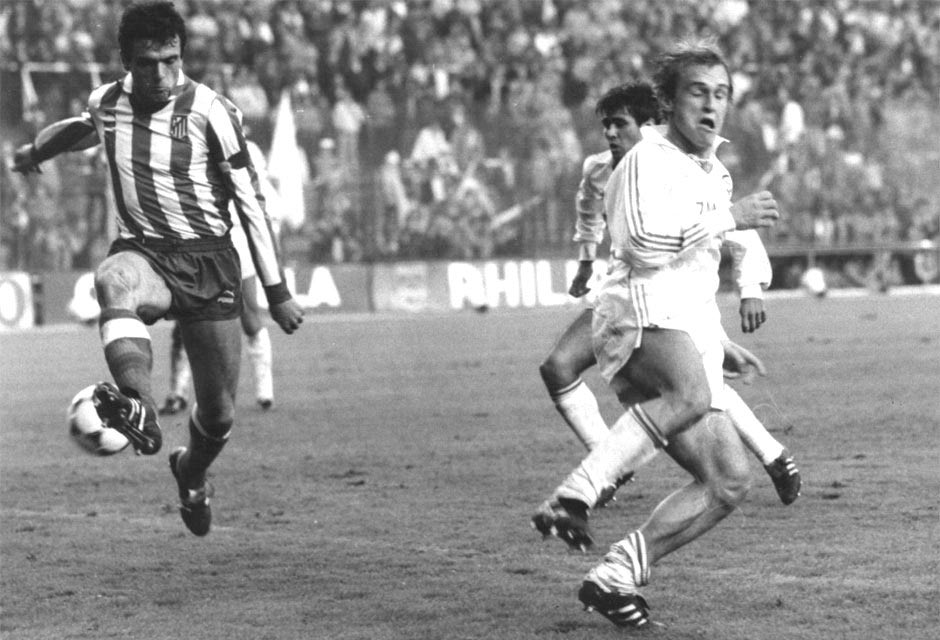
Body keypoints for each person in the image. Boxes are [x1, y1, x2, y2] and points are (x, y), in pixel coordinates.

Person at [12, 1, 304, 537]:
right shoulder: (108, 102)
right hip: (145, 253)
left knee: (218, 415)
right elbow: (82, 129)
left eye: (172, 61)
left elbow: (251, 202)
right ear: (126, 61)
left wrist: (277, 289)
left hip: (210, 261)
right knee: (112, 280)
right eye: (147, 64)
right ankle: (140, 407)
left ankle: (190, 473)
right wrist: (34, 152)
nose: (162, 75)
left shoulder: (213, 112)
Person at [532, 41, 780, 628]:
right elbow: (643, 246)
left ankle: (615, 576)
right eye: (698, 92)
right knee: (689, 393)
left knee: (728, 482)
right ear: (667, 102)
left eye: (721, 94)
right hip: (635, 311)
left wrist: (717, 339)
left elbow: (704, 261)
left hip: (680, 324)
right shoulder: (647, 158)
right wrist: (731, 216)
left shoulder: (713, 170)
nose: (711, 105)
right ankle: (576, 494)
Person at [539, 82, 800, 506]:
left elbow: (735, 223)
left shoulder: (687, 169)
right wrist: (586, 258)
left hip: (682, 295)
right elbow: (588, 205)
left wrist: (751, 287)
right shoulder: (601, 168)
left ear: (648, 127)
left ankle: (774, 456)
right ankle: (608, 470)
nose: (610, 133)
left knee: (699, 390)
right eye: (606, 125)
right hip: (622, 293)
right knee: (558, 367)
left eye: (619, 124)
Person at [161, 135, 282, 414]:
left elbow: (261, 198)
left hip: (236, 237)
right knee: (186, 317)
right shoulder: (189, 140)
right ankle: (177, 393)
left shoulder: (247, 147)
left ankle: (265, 392)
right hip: (198, 239)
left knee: (249, 314)